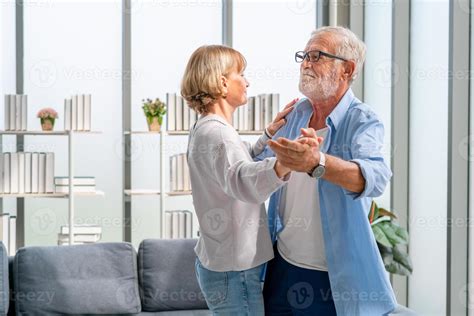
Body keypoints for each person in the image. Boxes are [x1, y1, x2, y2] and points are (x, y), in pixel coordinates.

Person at [256, 26, 398, 315]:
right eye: (304, 56)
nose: (306, 63)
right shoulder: (296, 112)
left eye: (317, 55)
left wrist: (317, 162)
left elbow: (375, 178)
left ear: (346, 69)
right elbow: (259, 166)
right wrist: (267, 135)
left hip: (331, 278)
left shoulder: (363, 120)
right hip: (281, 264)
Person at [181, 45, 296, 315]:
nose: (247, 81)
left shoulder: (206, 127)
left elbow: (233, 167)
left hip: (222, 264)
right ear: (222, 82)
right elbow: (242, 180)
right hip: (234, 273)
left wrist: (268, 135)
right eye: (240, 74)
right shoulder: (219, 134)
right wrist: (285, 163)